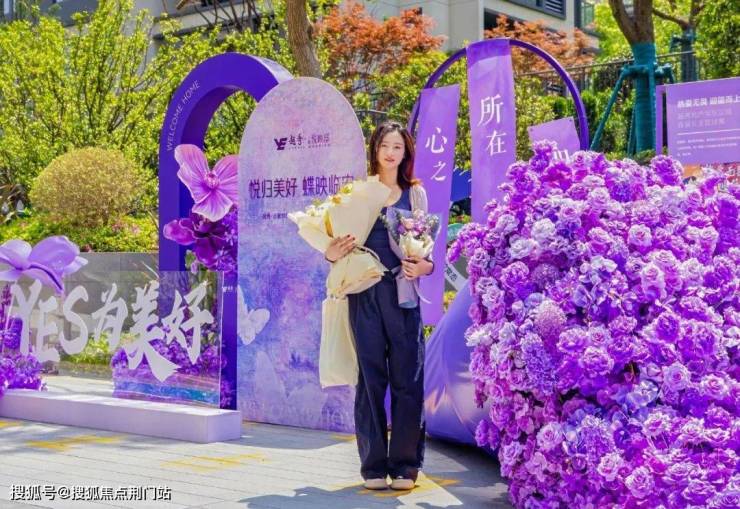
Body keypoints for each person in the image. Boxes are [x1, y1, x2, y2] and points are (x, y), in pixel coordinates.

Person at [324, 121, 433, 491]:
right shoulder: (357, 193)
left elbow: (427, 254)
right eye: (385, 145)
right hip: (365, 293)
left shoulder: (415, 195)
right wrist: (330, 251)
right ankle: (372, 465)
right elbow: (335, 248)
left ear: (406, 153)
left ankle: (404, 465)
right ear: (374, 149)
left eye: (397, 147)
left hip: (403, 295)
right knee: (370, 379)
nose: (390, 153)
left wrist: (423, 267)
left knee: (408, 378)